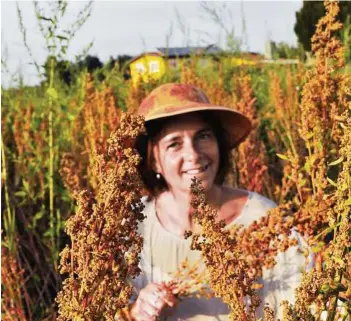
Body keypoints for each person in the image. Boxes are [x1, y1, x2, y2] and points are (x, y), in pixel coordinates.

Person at [127, 83, 312, 321]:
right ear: (153, 161)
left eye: (203, 136)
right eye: (174, 144)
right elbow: (107, 309)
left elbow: (304, 306)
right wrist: (134, 311)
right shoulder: (133, 227)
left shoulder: (267, 223)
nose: (193, 155)